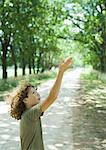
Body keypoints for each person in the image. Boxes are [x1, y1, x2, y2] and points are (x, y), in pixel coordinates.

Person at [9, 57, 72, 150]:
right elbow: (52, 97)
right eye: (33, 93)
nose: (37, 94)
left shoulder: (29, 114)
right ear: (25, 100)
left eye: (36, 91)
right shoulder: (29, 114)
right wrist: (61, 72)